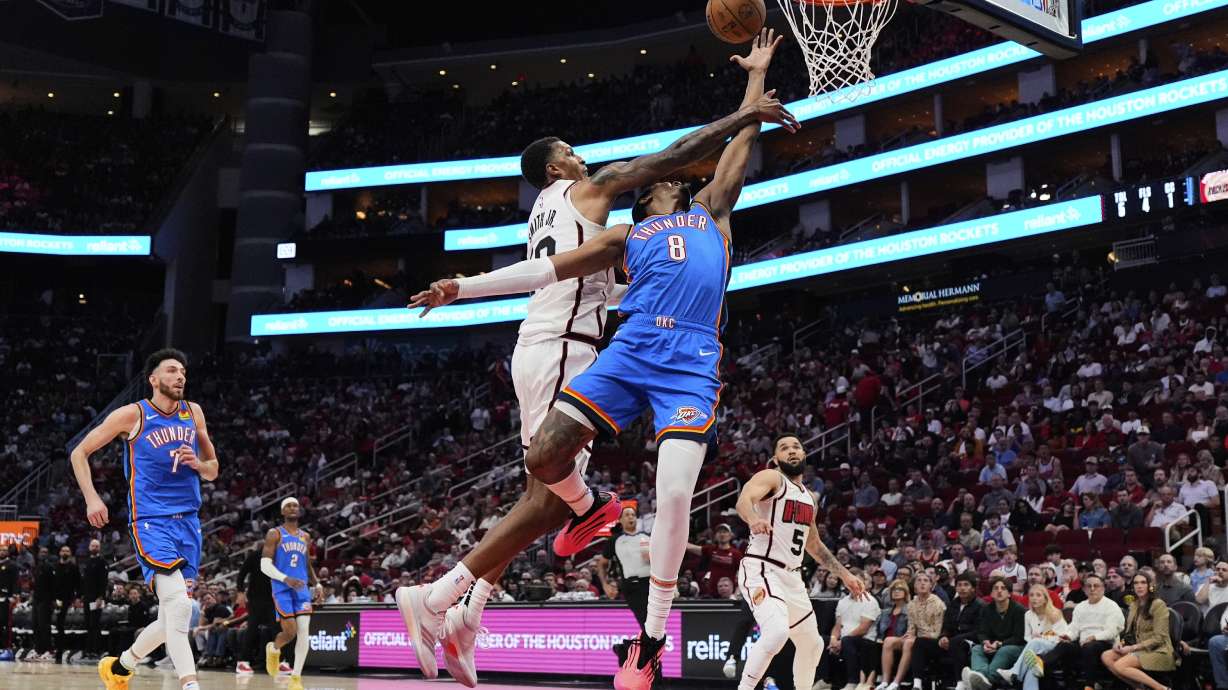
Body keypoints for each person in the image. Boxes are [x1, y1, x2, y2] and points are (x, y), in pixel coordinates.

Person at [399, 31, 799, 690]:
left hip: (673, 352)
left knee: (586, 497)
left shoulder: (706, 217)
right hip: (601, 347)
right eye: (568, 151)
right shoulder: (622, 226)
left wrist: (755, 81)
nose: (580, 154)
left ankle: (486, 608)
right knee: (546, 484)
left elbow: (735, 152)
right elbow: (554, 266)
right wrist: (463, 286)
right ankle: (552, 536)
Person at [72, 348, 219, 690]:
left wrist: (199, 465)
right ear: (153, 379)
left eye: (182, 371)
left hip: (189, 525)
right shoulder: (132, 415)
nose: (180, 376)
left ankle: (120, 667)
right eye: (171, 370)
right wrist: (92, 497)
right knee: (181, 607)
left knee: (171, 618)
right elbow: (79, 452)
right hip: (152, 522)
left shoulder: (193, 413)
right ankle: (190, 685)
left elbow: (213, 470)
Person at [735, 433, 864, 690]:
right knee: (777, 633)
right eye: (784, 448)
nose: (791, 451)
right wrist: (753, 519)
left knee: (812, 643)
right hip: (762, 567)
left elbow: (814, 545)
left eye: (796, 447)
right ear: (775, 458)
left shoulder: (809, 498)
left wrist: (845, 575)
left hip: (792, 577)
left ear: (804, 455)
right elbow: (743, 500)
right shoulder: (771, 477)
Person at [262, 497, 320, 690]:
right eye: (289, 505)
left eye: (296, 505)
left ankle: (295, 678)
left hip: (302, 589)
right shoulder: (275, 534)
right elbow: (264, 565)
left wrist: (317, 584)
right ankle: (274, 648)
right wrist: (286, 579)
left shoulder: (306, 536)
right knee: (291, 632)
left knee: (304, 632)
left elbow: (307, 563)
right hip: (282, 588)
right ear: (282, 512)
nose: (293, 508)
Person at [1100, 572, 1176, 690]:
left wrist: (1132, 648)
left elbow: (1160, 638)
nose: (1139, 586)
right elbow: (1129, 632)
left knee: (1120, 665)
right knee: (1106, 656)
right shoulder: (1134, 605)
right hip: (1139, 649)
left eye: (1143, 582)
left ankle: (1161, 688)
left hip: (1158, 651)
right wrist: (1121, 643)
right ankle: (1139, 687)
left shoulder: (1158, 604)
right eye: (1136, 583)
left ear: (1150, 585)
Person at [598, 506, 651, 659]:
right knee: (649, 627)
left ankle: (625, 649)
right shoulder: (615, 540)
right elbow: (601, 564)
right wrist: (605, 584)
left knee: (654, 629)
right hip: (632, 586)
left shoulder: (648, 537)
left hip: (652, 584)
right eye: (627, 515)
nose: (630, 517)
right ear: (620, 520)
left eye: (633, 514)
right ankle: (654, 671)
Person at [877, 572, 945, 690]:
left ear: (931, 586)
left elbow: (937, 632)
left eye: (926, 581)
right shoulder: (912, 604)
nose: (922, 583)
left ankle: (896, 682)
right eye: (919, 581)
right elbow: (911, 627)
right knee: (888, 640)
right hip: (915, 638)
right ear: (914, 586)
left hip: (931, 640)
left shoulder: (938, 603)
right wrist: (909, 634)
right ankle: (884, 681)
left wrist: (915, 637)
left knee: (909, 642)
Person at [1056, 573, 1124, 688]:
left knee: (1090, 646)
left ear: (1103, 588)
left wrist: (1094, 637)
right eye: (1089, 586)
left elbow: (1112, 631)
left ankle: (1090, 685)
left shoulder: (1111, 606)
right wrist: (1067, 636)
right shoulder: (1080, 606)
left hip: (1105, 644)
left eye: (1096, 586)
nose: (1092, 589)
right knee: (1064, 645)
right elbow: (1074, 628)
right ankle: (1042, 664)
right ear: (1084, 589)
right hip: (1083, 643)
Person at [997, 584, 1069, 689]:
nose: (1034, 598)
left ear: (1045, 599)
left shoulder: (1054, 613)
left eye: (1038, 595)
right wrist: (1035, 639)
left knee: (1035, 643)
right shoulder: (1028, 615)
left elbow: (1062, 636)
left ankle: (1015, 672)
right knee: (1033, 665)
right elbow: (1027, 636)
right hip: (1035, 649)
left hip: (1054, 647)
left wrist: (1042, 637)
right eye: (1031, 595)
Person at [959, 577, 1025, 690]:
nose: (999, 591)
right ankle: (980, 676)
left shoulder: (1019, 610)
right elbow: (982, 632)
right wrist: (985, 642)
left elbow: (1019, 637)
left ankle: (987, 679)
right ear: (991, 593)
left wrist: (999, 644)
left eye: (1003, 588)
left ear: (1009, 594)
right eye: (995, 588)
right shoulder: (987, 609)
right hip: (993, 645)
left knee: (1005, 650)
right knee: (977, 649)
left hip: (1014, 647)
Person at [827, 576, 881, 690]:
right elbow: (837, 626)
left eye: (857, 583)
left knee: (847, 641)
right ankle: (825, 680)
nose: (854, 585)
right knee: (822, 640)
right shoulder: (843, 601)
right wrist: (833, 639)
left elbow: (863, 628)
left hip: (866, 639)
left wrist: (841, 641)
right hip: (845, 638)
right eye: (851, 583)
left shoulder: (870, 601)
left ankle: (853, 681)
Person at [236, 540, 276, 676]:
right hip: (255, 599)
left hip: (273, 600)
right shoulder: (254, 556)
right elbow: (241, 574)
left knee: (278, 630)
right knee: (251, 630)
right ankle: (242, 662)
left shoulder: (278, 558)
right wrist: (240, 592)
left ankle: (281, 662)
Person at [81, 539, 108, 662]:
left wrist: (101, 597)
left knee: (95, 624)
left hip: (97, 598)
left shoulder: (102, 562)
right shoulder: (86, 562)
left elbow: (104, 581)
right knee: (88, 624)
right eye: (93, 545)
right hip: (87, 598)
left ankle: (97, 651)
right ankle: (88, 650)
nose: (95, 547)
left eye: (97, 546)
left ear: (99, 548)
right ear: (89, 547)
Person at [52, 544, 79, 661]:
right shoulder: (54, 566)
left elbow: (79, 583)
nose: (65, 553)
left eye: (67, 551)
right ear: (59, 553)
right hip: (53, 600)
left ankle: (60, 651)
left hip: (67, 600)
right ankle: (51, 649)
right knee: (54, 625)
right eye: (63, 551)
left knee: (61, 625)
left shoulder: (73, 567)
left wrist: (77, 598)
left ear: (70, 554)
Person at [0, 545, 16, 656]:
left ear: (8, 552)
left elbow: (15, 581)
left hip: (6, 598)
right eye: (1, 550)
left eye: (4, 550)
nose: (2, 551)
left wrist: (14, 595)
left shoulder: (12, 565)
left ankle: (5, 648)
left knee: (5, 624)